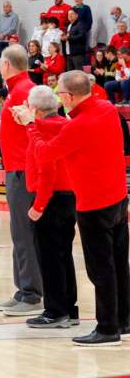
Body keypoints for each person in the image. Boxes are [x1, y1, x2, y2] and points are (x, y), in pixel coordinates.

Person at [13, 70, 129, 346]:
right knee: (119, 264)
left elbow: (45, 153)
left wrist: (31, 126)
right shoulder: (106, 109)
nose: (60, 99)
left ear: (69, 96)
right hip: (117, 197)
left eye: (61, 94)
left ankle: (107, 328)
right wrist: (38, 123)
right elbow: (65, 131)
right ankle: (124, 319)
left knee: (100, 269)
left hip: (93, 203)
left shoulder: (80, 125)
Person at [20, 85, 79, 328]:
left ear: (34, 109)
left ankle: (55, 311)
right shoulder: (66, 125)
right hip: (70, 196)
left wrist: (39, 205)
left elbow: (47, 169)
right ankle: (69, 308)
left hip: (50, 198)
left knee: (49, 256)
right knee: (64, 254)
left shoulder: (40, 130)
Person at [0, 45, 43, 316]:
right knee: (19, 233)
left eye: (1, 64)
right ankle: (23, 288)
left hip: (24, 172)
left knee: (24, 234)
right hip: (17, 169)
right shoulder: (17, 90)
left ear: (8, 65)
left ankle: (31, 293)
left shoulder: (24, 92)